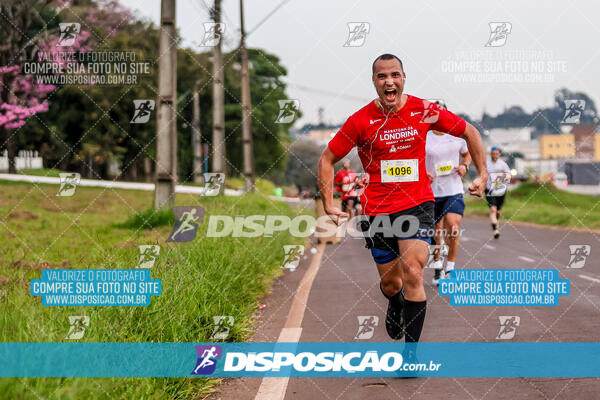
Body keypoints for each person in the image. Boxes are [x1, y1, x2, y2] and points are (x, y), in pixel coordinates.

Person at [318, 54, 487, 348]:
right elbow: (327, 158)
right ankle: (395, 301)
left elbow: (469, 132)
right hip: (378, 210)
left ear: (404, 77)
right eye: (382, 76)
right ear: (374, 82)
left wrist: (482, 174)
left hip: (418, 203)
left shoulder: (424, 110)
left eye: (395, 75)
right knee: (391, 283)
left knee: (412, 271)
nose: (389, 81)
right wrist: (329, 202)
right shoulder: (360, 120)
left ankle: (411, 352)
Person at [425, 101, 471, 285]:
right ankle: (437, 267)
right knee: (437, 232)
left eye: (442, 111)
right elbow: (416, 159)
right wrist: (424, 173)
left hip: (453, 189)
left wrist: (464, 166)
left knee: (453, 227)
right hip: (432, 191)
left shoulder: (457, 135)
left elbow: (467, 154)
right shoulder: (425, 136)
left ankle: (450, 268)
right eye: (435, 112)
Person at [485, 146, 511, 239]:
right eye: (493, 153)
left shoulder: (502, 164)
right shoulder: (486, 164)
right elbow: (482, 174)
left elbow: (509, 175)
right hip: (489, 189)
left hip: (500, 189)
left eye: (496, 153)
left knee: (498, 211)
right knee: (493, 209)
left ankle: (496, 222)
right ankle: (495, 229)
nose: (494, 155)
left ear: (499, 154)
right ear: (490, 154)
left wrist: (504, 180)